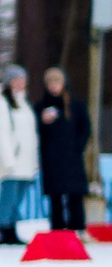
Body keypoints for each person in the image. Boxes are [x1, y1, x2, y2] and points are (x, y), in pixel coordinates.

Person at [33, 66, 90, 235]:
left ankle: (77, 227)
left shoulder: (75, 105)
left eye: (57, 82)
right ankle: (57, 230)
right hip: (51, 159)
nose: (54, 86)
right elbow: (35, 131)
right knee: (55, 196)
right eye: (50, 83)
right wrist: (42, 122)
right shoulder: (41, 106)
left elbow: (85, 128)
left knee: (75, 194)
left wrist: (78, 147)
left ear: (64, 83)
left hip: (72, 157)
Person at [0, 65, 36, 246]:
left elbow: (31, 134)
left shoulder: (24, 104)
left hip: (26, 162)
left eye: (23, 80)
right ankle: (4, 229)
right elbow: (3, 133)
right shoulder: (3, 103)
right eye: (17, 80)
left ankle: (11, 230)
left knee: (17, 200)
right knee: (8, 199)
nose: (21, 83)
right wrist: (8, 160)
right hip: (12, 162)